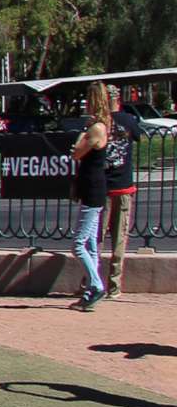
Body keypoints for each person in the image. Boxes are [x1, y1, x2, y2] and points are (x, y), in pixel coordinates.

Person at [67, 82, 112, 313]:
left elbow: (77, 152)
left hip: (93, 190)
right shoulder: (99, 125)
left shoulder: (96, 128)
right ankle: (90, 290)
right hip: (90, 189)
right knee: (92, 244)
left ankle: (95, 284)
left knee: (78, 244)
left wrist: (82, 133)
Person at [99, 83, 140, 299]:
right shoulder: (129, 121)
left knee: (97, 237)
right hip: (123, 186)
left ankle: (92, 282)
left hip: (104, 187)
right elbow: (139, 135)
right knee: (118, 238)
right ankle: (113, 286)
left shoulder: (99, 123)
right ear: (119, 99)